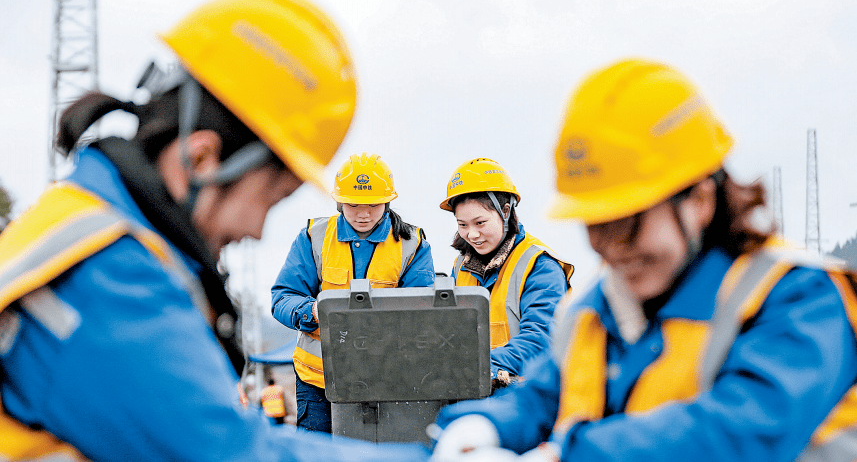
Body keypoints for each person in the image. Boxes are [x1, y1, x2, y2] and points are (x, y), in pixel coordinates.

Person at [0, 0, 430, 462]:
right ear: (203, 158)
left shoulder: (85, 223)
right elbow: (235, 453)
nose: (260, 229)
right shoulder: (116, 277)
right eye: (271, 197)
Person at [430, 58, 857, 461]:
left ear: (701, 200)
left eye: (627, 223)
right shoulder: (597, 310)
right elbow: (544, 394)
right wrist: (481, 427)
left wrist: (568, 453)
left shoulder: (803, 299)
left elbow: (735, 430)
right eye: (594, 226)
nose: (612, 248)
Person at [271, 152, 436, 433]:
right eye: (353, 204)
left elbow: (421, 312)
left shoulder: (412, 244)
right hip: (317, 380)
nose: (363, 213)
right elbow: (283, 297)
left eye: (373, 205)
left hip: (387, 380)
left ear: (387, 201)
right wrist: (311, 311)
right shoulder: (314, 237)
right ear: (338, 202)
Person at [439, 158, 573, 390]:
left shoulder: (540, 266)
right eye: (462, 225)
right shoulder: (460, 266)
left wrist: (479, 367)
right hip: (472, 391)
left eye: (480, 222)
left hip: (527, 396)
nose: (471, 234)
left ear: (506, 211)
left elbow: (541, 338)